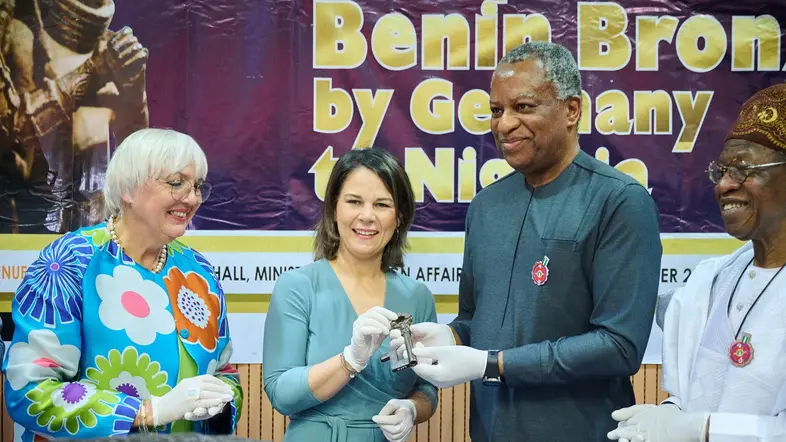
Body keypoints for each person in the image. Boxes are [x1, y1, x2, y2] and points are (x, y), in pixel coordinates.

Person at [391, 41, 663, 441]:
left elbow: (618, 346)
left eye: (523, 107)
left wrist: (490, 364)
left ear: (572, 110)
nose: (503, 125)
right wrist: (447, 337)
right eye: (496, 111)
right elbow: (474, 319)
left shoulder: (619, 201)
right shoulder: (486, 206)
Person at [3, 128, 243, 439]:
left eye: (196, 186)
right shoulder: (70, 262)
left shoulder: (199, 271)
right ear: (128, 189)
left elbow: (225, 373)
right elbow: (29, 392)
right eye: (176, 183)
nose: (192, 197)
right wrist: (146, 412)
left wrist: (220, 401)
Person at [608, 84, 786, 442]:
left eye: (742, 169)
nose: (724, 185)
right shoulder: (714, 280)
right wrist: (672, 412)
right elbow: (692, 391)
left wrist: (698, 428)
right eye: (720, 171)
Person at [263, 147, 438, 442]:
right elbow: (281, 393)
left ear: (400, 216)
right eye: (354, 202)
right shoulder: (297, 287)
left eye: (382, 205)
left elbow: (427, 389)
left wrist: (412, 408)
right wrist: (349, 361)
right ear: (334, 208)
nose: (367, 216)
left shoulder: (417, 296)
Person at [0, 0, 150, 233]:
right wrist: (91, 70)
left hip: (99, 227)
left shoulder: (112, 45)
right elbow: (16, 141)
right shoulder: (17, 37)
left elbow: (138, 155)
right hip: (32, 230)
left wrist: (134, 90)